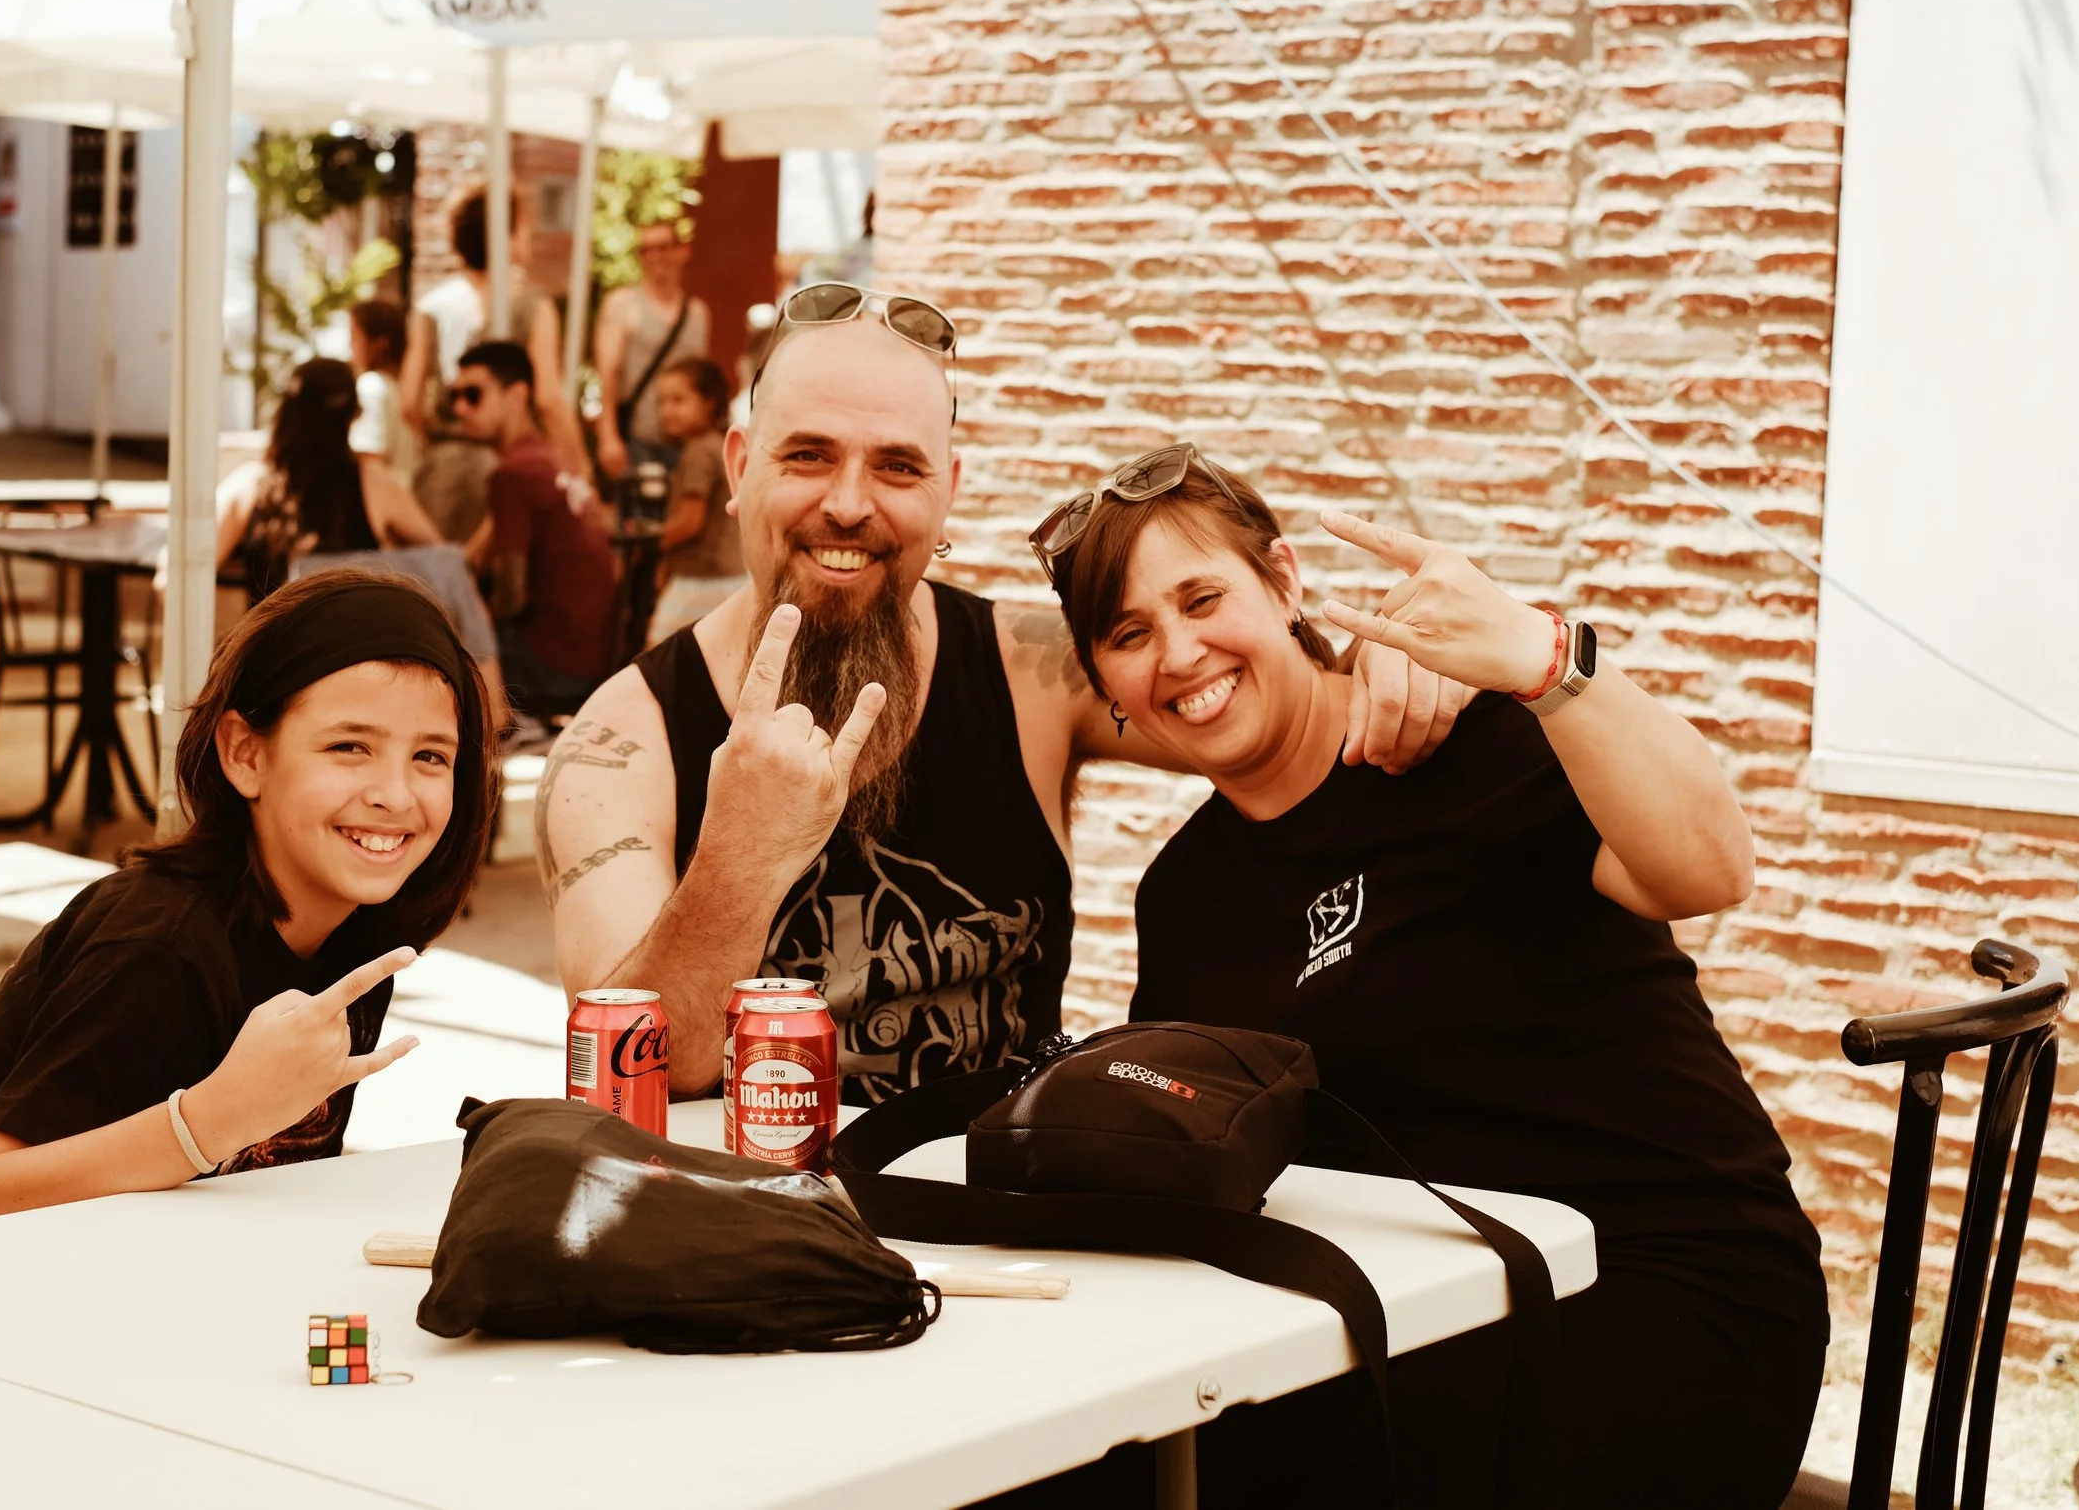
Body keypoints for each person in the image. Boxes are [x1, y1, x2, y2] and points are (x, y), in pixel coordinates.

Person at [1038, 445, 1827, 1508]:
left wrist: (1545, 660)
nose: (1179, 653)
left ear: (1283, 581)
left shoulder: (1477, 741)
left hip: (1668, 1284)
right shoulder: (1184, 895)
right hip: (1424, 1314)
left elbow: (1711, 869)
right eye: (1129, 634)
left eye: (1202, 598)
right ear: (1105, 683)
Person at [539, 282, 1469, 1102]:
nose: (851, 504)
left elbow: (1270, 705)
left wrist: (1401, 654)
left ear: (947, 489)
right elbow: (628, 1077)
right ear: (740, 466)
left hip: (1005, 1214)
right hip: (745, 1222)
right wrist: (739, 854)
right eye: (809, 456)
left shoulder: (1031, 671)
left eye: (898, 466)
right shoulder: (622, 741)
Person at [0, 569, 495, 1231]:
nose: (395, 795)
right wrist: (210, 1121)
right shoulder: (158, 950)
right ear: (245, 754)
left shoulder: (356, 933)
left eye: (430, 757)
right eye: (349, 747)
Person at [452, 339, 617, 723]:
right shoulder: (550, 456)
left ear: (517, 395)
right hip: (593, 654)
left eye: (473, 395)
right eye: (454, 397)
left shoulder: (514, 473)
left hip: (552, 664)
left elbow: (511, 596)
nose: (460, 408)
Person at [398, 187, 585, 507]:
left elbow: (409, 403)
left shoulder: (432, 307)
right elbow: (549, 400)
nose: (529, 239)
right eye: (524, 229)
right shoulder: (532, 305)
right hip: (510, 468)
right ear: (505, 236)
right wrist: (579, 465)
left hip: (442, 472)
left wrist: (440, 440)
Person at [216, 358, 444, 604]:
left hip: (274, 628)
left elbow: (191, 564)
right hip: (355, 627)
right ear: (352, 417)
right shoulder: (372, 481)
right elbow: (441, 557)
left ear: (286, 412)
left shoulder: (252, 484)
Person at [591, 218, 711, 479]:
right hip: (637, 438)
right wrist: (607, 435)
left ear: (681, 251)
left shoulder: (697, 313)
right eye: (646, 250)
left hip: (684, 443)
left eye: (663, 248)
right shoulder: (622, 304)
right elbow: (608, 372)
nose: (655, 257)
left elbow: (700, 381)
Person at [642, 356, 744, 649]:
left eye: (678, 400)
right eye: (662, 402)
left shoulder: (699, 453)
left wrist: (653, 543)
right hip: (729, 576)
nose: (667, 411)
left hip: (700, 581)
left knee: (655, 657)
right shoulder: (719, 446)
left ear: (708, 402)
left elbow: (690, 520)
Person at [346, 298, 416, 487]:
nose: (350, 346)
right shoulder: (400, 388)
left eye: (355, 336)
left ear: (380, 343)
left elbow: (369, 459)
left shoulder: (371, 386)